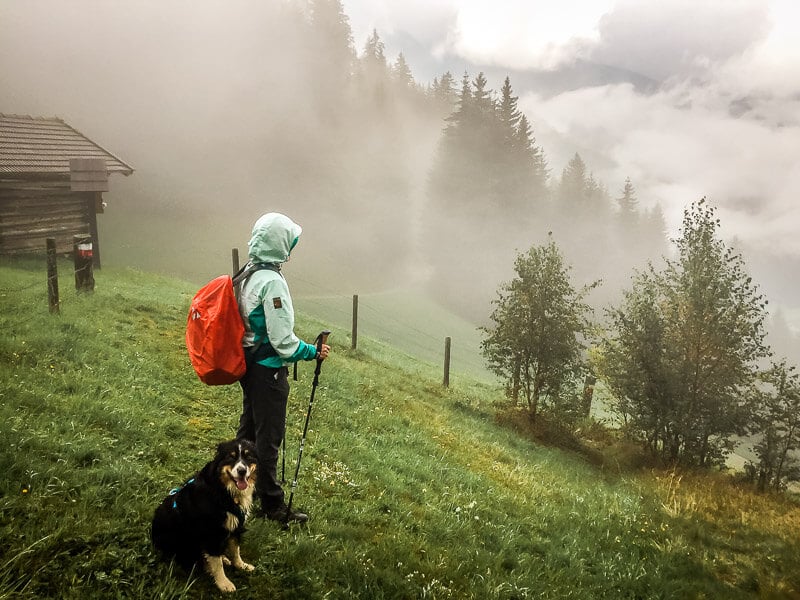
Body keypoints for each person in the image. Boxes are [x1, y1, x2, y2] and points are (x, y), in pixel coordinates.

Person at [236, 212, 330, 523]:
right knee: (268, 437)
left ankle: (237, 485)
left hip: (248, 366)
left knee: (249, 429)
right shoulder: (271, 283)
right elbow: (282, 342)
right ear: (280, 245)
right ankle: (272, 505)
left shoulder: (248, 273)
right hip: (268, 371)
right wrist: (311, 351)